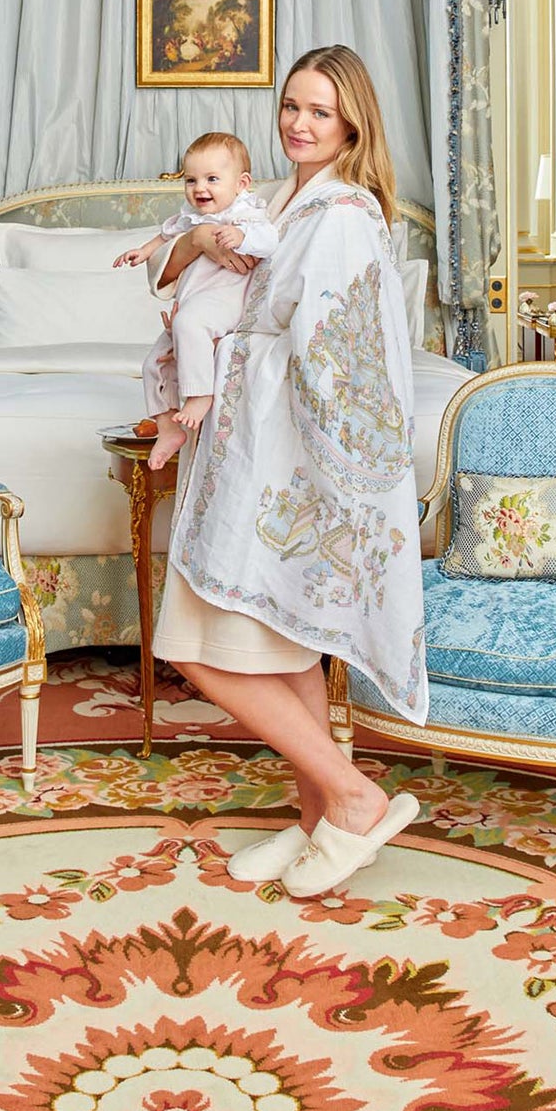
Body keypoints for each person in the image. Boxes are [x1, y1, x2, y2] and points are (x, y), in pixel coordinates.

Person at [152, 46, 427, 899]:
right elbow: (182, 272)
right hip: (247, 439)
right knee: (283, 649)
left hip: (280, 449)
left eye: (319, 112)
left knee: (198, 647)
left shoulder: (340, 214)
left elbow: (336, 352)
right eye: (290, 106)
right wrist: (197, 241)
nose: (299, 125)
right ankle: (317, 819)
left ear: (351, 125)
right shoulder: (271, 199)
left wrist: (234, 358)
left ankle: (351, 798)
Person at [116, 132, 278, 471]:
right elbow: (164, 238)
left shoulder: (244, 213)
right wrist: (142, 252)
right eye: (191, 180)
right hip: (193, 304)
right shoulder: (191, 218)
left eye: (212, 179)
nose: (199, 188)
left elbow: (268, 241)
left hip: (224, 301)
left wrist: (242, 236)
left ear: (241, 183)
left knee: (190, 325)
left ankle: (200, 395)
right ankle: (168, 428)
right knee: (153, 364)